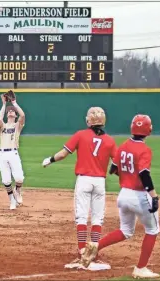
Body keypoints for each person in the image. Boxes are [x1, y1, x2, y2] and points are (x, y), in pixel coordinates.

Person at [80, 114, 160, 279]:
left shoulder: (123, 146)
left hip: (123, 195)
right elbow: (144, 174)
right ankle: (141, 268)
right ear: (148, 130)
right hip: (140, 196)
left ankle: (95, 246)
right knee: (152, 230)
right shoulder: (145, 149)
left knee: (125, 230)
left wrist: (127, 176)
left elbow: (113, 169)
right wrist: (154, 195)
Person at [42, 107, 117, 270]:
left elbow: (62, 154)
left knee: (81, 217)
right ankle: (94, 254)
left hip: (84, 180)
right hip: (100, 182)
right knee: (98, 218)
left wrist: (50, 159)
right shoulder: (110, 141)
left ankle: (83, 252)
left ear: (89, 120)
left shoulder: (81, 135)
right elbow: (116, 164)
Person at [0, 91, 26, 210]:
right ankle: (11, 200)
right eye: (9, 111)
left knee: (19, 178)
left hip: (13, 153)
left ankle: (18, 191)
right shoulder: (2, 126)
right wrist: (4, 104)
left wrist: (14, 103)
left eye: (12, 111)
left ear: (14, 115)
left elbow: (23, 116)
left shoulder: (17, 126)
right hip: (3, 154)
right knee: (6, 180)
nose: (10, 111)